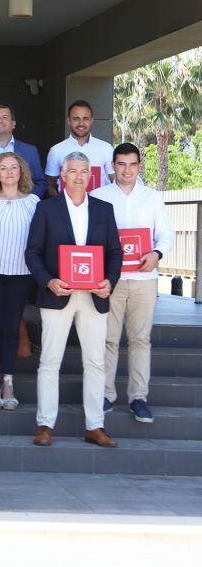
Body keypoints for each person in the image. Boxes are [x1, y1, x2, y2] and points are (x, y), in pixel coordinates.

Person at [26, 152, 122, 448]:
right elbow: (32, 253)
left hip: (95, 296)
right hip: (58, 295)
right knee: (49, 361)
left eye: (84, 171)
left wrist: (110, 281)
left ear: (90, 176)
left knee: (95, 362)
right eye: (73, 171)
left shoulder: (105, 209)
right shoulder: (46, 209)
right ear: (62, 176)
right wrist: (49, 281)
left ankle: (95, 426)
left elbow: (115, 252)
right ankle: (45, 425)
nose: (79, 176)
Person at [92, 143, 174, 422]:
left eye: (132, 164)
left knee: (140, 339)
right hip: (110, 280)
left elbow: (166, 235)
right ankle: (105, 395)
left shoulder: (152, 198)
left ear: (140, 166)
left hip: (143, 280)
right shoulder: (98, 196)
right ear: (113, 166)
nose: (127, 170)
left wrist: (156, 253)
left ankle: (138, 397)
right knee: (108, 339)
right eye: (121, 164)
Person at [0, 153, 40, 410]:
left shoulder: (34, 202)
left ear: (21, 171)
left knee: (12, 327)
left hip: (21, 273)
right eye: (3, 168)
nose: (9, 172)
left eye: (14, 167)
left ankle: (9, 381)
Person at [45, 100, 114, 196]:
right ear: (68, 120)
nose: (81, 123)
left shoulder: (106, 149)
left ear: (91, 120)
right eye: (76, 119)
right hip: (66, 209)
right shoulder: (56, 151)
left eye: (85, 118)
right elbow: (49, 185)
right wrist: (61, 207)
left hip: (98, 208)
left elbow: (115, 182)